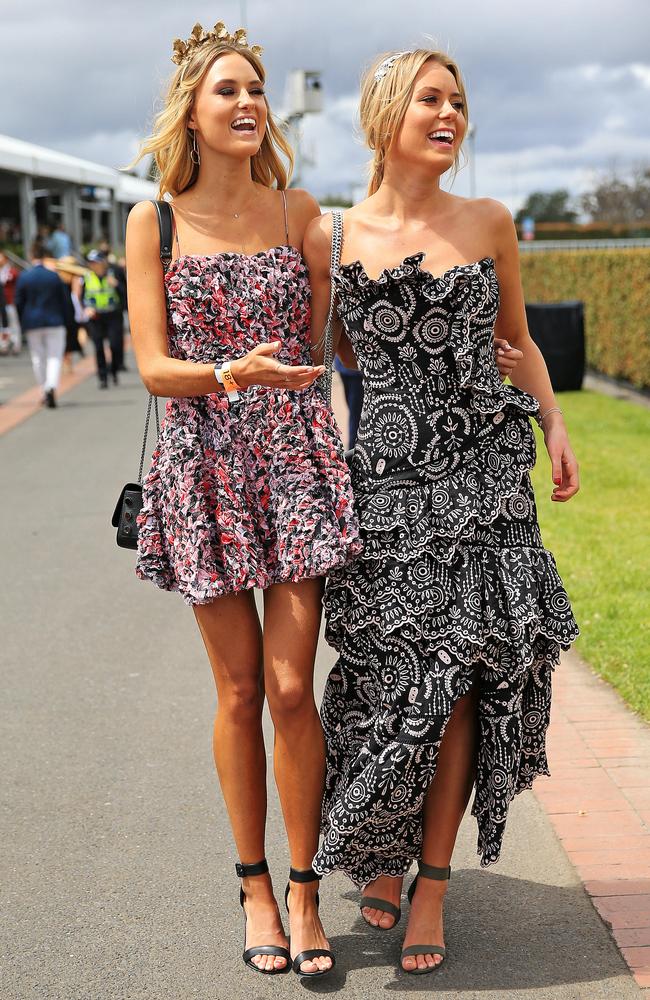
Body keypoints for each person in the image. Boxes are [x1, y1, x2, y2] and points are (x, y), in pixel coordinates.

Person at [305, 48, 579, 976]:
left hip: (487, 483)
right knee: (388, 680)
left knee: (460, 678)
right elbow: (317, 366)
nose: (450, 114)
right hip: (382, 489)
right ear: (386, 112)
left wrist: (556, 424)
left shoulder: (491, 220)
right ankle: (378, 848)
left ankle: (431, 881)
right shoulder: (330, 236)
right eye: (431, 99)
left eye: (459, 102)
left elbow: (521, 342)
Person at [125, 21, 361, 978]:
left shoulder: (301, 209)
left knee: (293, 686)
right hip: (204, 467)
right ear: (192, 106)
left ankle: (308, 891)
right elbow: (150, 366)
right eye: (227, 89)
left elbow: (325, 342)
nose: (248, 102)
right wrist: (232, 372)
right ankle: (254, 884)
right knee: (236, 689)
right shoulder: (157, 221)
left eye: (256, 88)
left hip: (296, 462)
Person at [15, 240, 72, 408]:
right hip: (55, 321)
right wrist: (68, 321)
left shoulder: (25, 277)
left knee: (38, 358)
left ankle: (43, 388)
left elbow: (19, 302)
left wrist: (22, 320)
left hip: (33, 322)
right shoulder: (53, 276)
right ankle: (51, 386)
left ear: (32, 256)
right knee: (54, 356)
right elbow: (65, 301)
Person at [82, 249, 123, 388]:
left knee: (115, 345)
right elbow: (81, 296)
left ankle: (114, 370)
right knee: (98, 347)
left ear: (103, 263)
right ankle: (102, 377)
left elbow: (127, 292)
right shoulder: (86, 276)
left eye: (96, 262)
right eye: (91, 263)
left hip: (113, 315)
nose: (94, 265)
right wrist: (86, 308)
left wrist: (117, 285)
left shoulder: (114, 273)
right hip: (96, 317)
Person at [54, 256, 87, 369]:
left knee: (73, 336)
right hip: (67, 313)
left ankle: (68, 360)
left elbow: (78, 298)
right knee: (68, 338)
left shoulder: (78, 280)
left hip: (74, 312)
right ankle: (67, 361)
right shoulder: (59, 281)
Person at [0, 247, 22, 355]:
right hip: (1, 304)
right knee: (1, 325)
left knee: (13, 324)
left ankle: (15, 345)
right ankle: (3, 345)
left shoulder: (12, 271)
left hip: (9, 302)